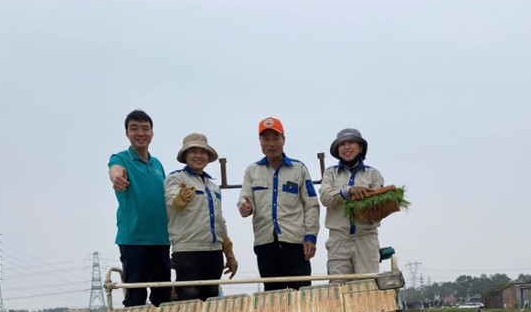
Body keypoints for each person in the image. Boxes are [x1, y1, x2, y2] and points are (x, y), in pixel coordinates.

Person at [238, 117, 320, 291]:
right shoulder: (252, 170)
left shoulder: (299, 169)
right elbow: (245, 198)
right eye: (266, 139)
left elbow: (311, 204)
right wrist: (245, 206)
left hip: (296, 243)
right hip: (265, 243)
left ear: (284, 140)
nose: (271, 144)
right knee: (273, 297)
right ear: (260, 142)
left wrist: (311, 236)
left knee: (302, 294)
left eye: (276, 138)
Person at [108, 110, 171, 307]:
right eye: (134, 128)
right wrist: (117, 177)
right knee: (135, 296)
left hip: (161, 239)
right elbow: (115, 170)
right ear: (127, 133)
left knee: (163, 297)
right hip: (134, 239)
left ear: (152, 133)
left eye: (145, 128)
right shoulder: (121, 158)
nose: (140, 133)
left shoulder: (157, 164)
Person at [165, 133, 238, 301]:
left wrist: (229, 254)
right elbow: (173, 203)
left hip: (214, 252)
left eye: (203, 152)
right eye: (193, 151)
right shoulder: (175, 179)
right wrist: (180, 199)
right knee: (189, 302)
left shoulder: (213, 186)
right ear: (185, 155)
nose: (199, 156)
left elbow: (219, 221)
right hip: (188, 251)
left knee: (211, 300)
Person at [319, 128, 385, 277]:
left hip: (366, 237)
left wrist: (367, 201)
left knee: (367, 288)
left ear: (360, 147)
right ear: (337, 149)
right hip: (338, 239)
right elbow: (325, 197)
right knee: (337, 287)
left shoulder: (373, 174)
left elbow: (379, 206)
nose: (346, 147)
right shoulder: (330, 173)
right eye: (342, 144)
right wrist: (348, 191)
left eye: (351, 143)